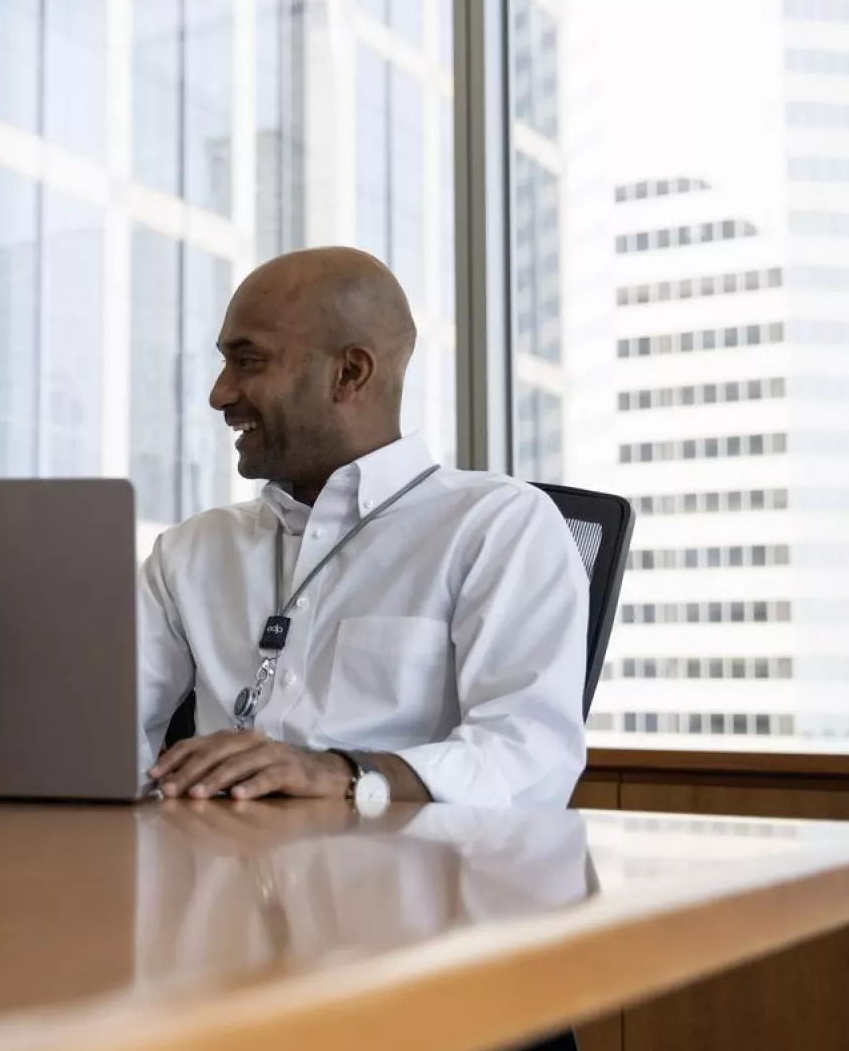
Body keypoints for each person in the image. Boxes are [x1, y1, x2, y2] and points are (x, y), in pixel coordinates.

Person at [141, 247, 587, 808]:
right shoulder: (190, 552)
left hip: (407, 880)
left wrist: (346, 775)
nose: (220, 393)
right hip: (211, 872)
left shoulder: (497, 527)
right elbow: (101, 733)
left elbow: (529, 758)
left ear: (349, 373)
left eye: (248, 362)